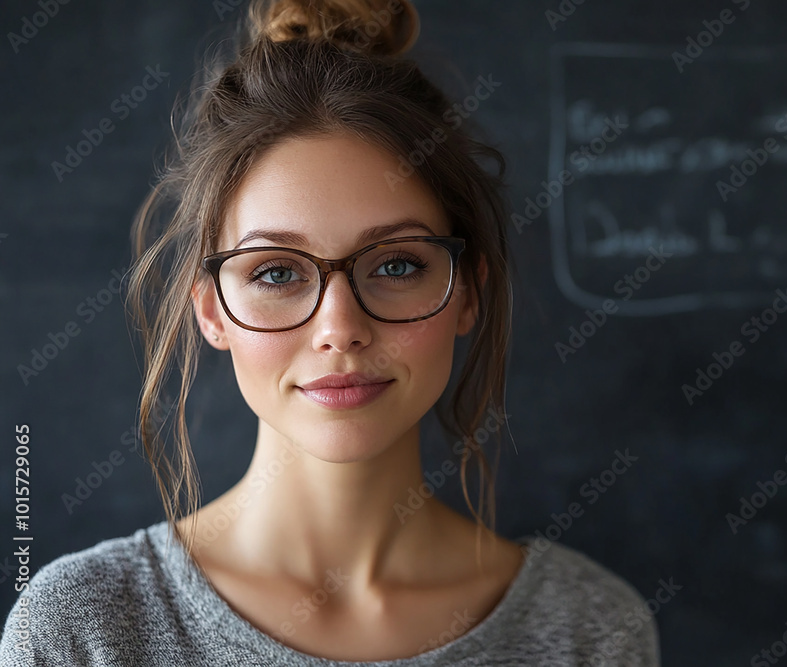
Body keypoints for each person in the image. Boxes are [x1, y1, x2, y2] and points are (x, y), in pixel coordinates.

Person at [1, 1, 661, 664]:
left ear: (467, 291)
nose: (340, 328)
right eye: (278, 272)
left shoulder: (590, 631)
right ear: (211, 310)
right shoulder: (79, 631)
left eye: (397, 264)